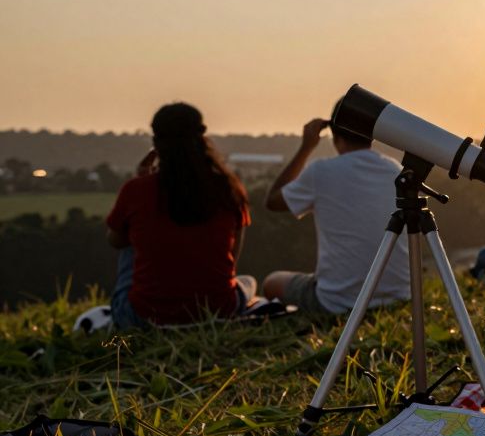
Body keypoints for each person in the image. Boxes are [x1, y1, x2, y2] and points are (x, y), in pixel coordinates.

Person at [105, 103, 254, 327]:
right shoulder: (228, 189)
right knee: (248, 282)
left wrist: (140, 184)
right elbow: (232, 254)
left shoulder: (136, 190)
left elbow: (115, 240)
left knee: (128, 236)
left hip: (145, 318)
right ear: (202, 138)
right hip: (218, 311)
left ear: (156, 144)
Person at [262, 114, 410, 314]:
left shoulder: (321, 172)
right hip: (397, 299)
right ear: (371, 137)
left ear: (335, 138)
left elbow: (273, 200)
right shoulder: (395, 170)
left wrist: (306, 147)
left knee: (272, 282)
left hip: (337, 302)